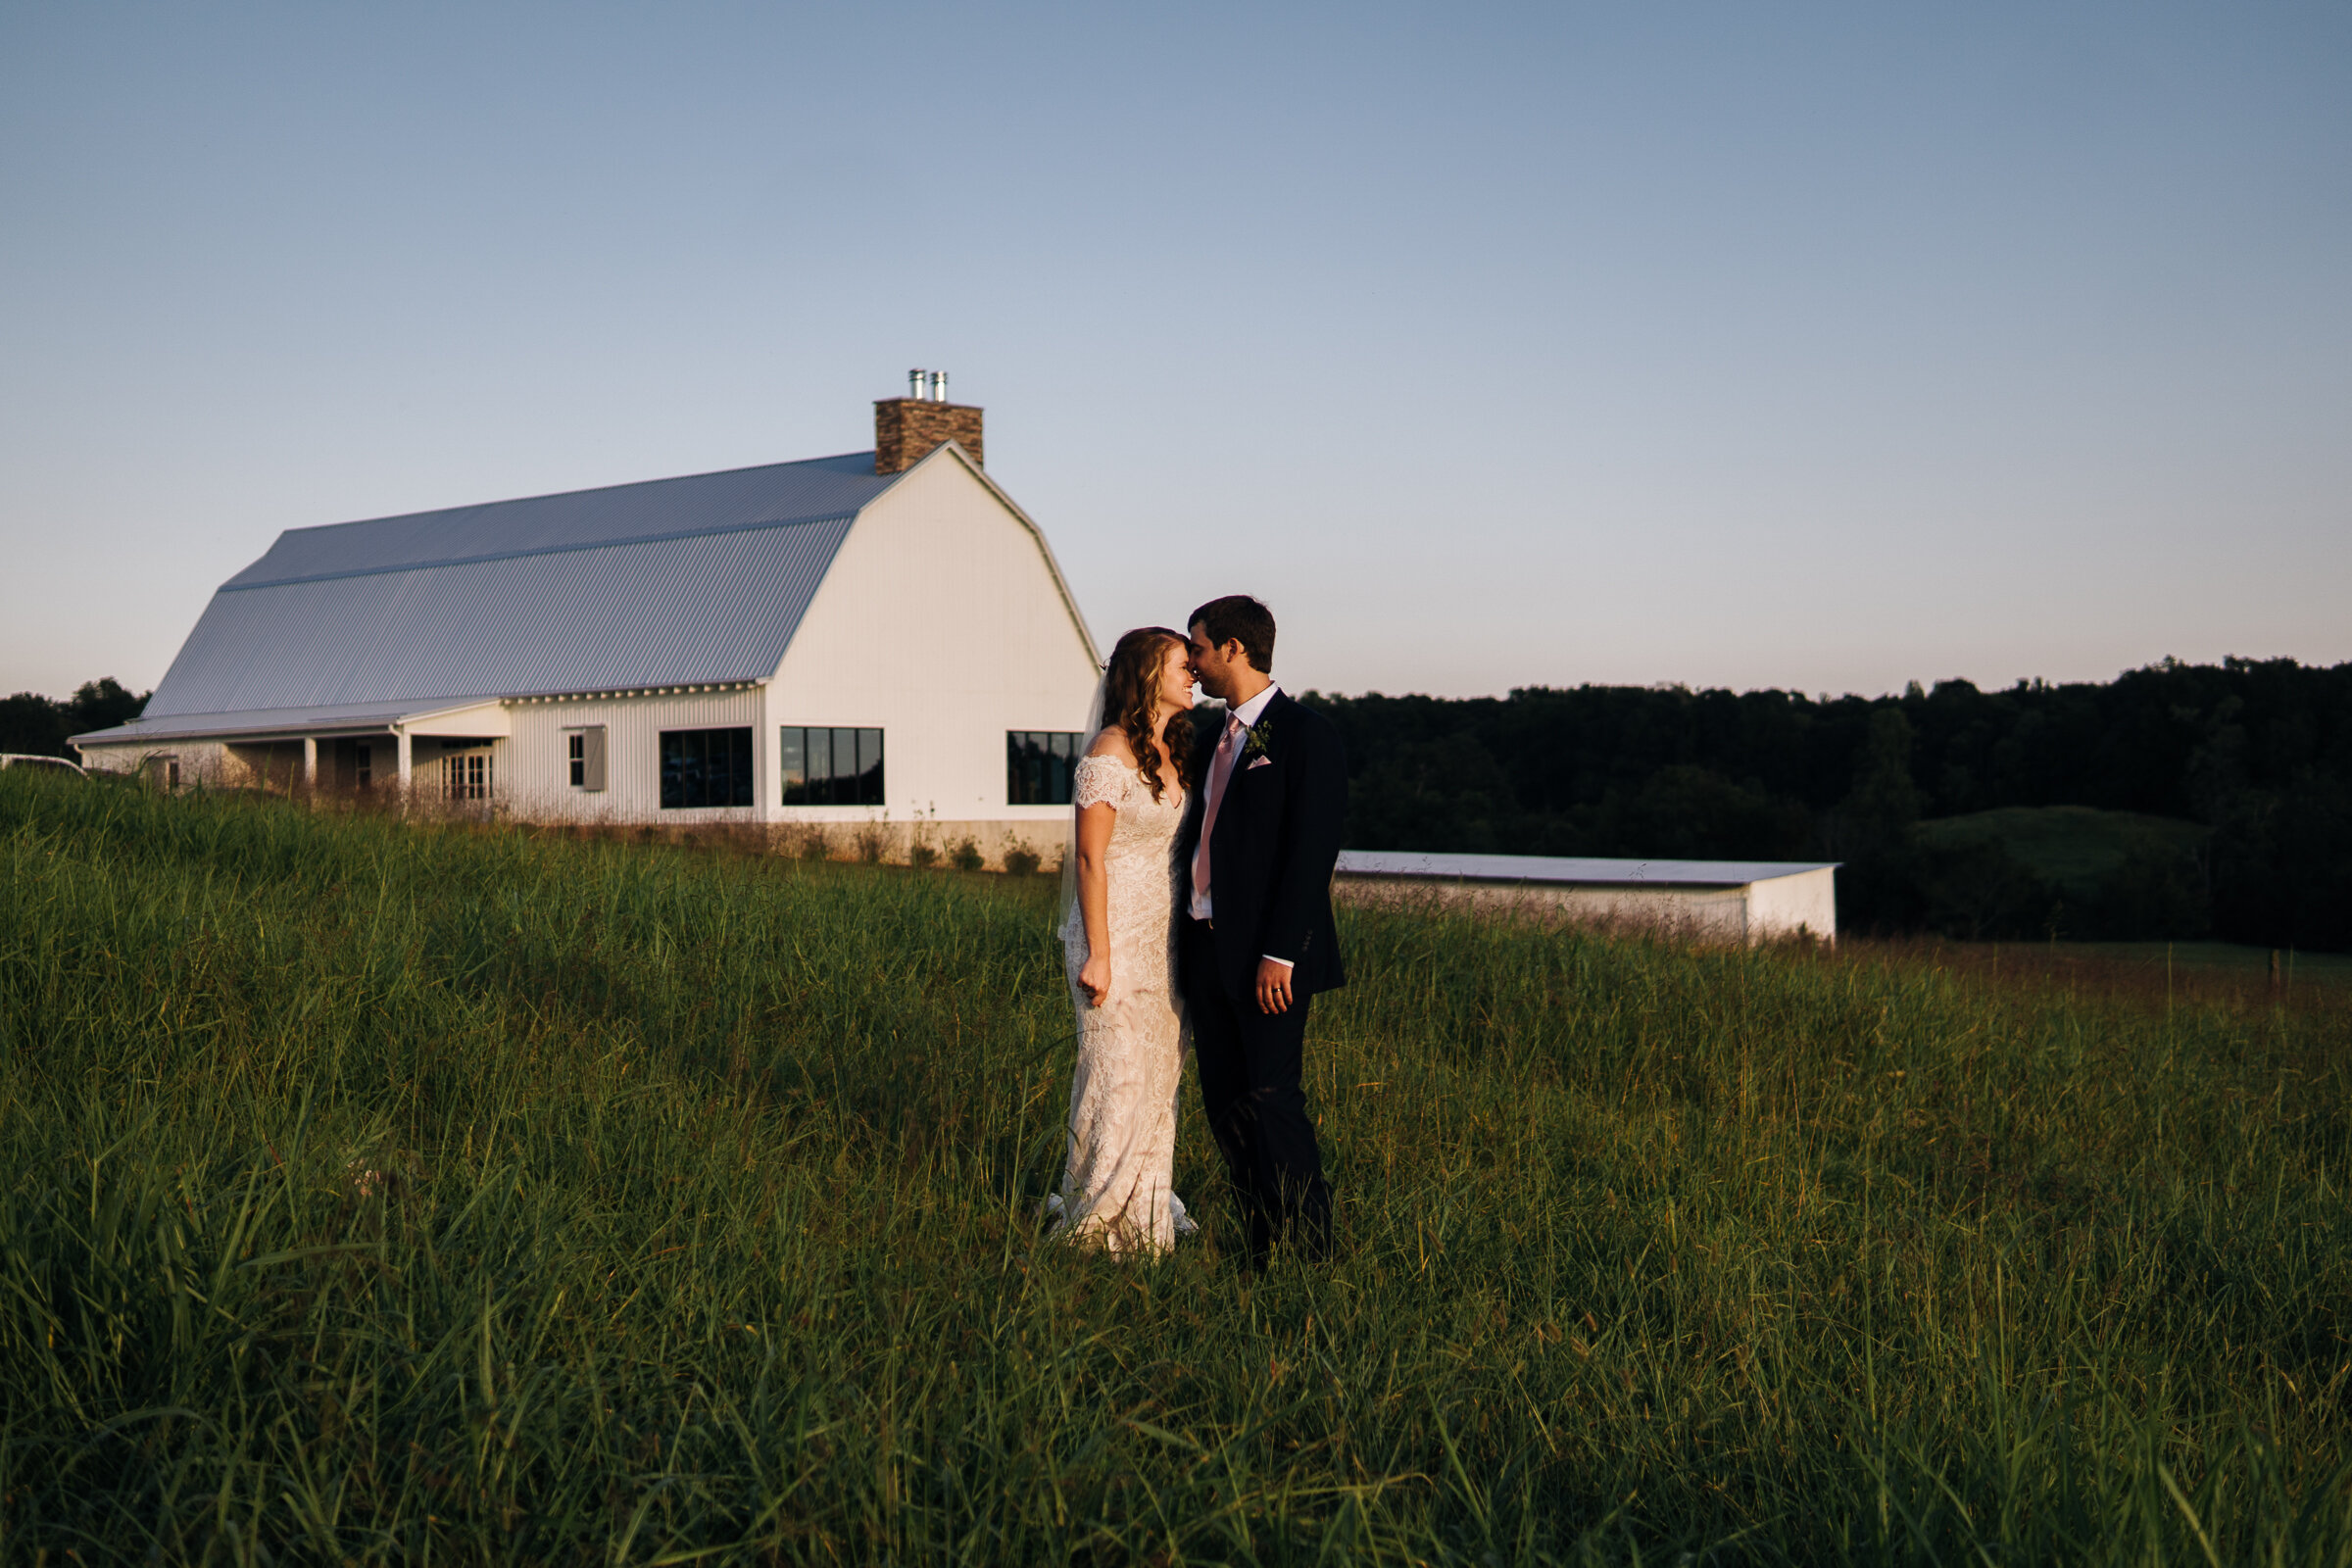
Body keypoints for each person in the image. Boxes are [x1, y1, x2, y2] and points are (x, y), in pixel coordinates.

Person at [1177, 595, 1348, 1267]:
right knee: (1225, 1103)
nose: (1191, 662)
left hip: (1268, 959)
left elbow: (1312, 854)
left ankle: (1316, 1251)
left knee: (1274, 1099)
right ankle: (1257, 1244)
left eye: (1196, 648)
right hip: (1204, 948)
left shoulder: (1305, 734)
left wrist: (1281, 953)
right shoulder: (1207, 732)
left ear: (1233, 649)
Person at [1048, 626, 1202, 1253]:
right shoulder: (1108, 754)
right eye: (1180, 666)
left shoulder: (1176, 749)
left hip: (1164, 938)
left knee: (1161, 1074)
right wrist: (1100, 953)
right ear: (1147, 676)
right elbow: (1090, 859)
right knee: (1115, 1073)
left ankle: (1144, 1206)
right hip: (1110, 932)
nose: (1192, 675)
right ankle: (1096, 1208)